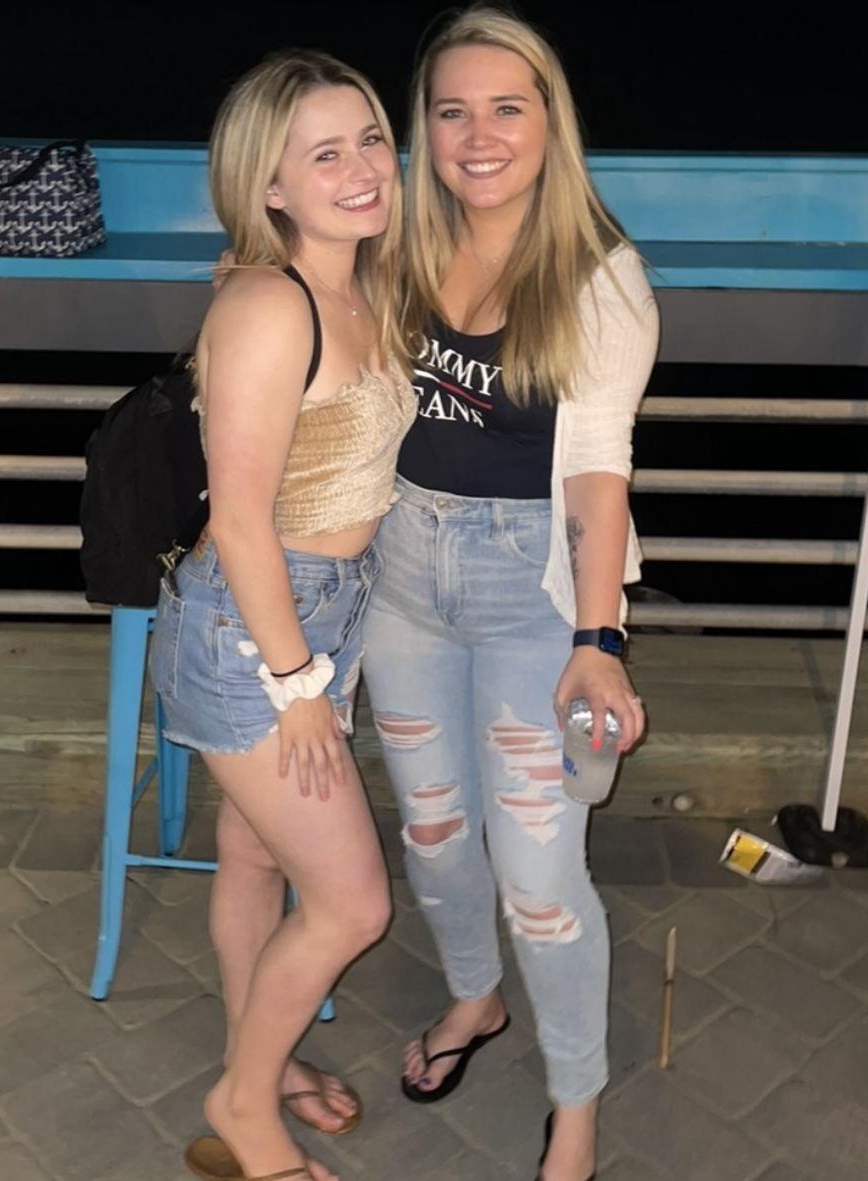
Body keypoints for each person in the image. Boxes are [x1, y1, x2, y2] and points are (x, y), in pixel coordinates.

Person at [360, 9, 659, 1181]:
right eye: (452, 112)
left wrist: (598, 635)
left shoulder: (599, 275)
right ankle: (476, 997)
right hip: (401, 571)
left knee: (540, 880)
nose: (478, 136)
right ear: (423, 129)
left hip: (530, 582)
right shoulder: (395, 240)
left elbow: (598, 468)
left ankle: (575, 1098)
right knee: (434, 836)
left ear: (550, 124)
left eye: (506, 109)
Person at [149, 50, 414, 1181]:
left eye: (371, 140)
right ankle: (245, 1105)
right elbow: (243, 519)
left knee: (257, 852)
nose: (362, 169)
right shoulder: (271, 304)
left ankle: (262, 1054)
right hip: (256, 631)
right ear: (269, 184)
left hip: (319, 613)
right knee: (352, 905)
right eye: (324, 154)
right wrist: (299, 686)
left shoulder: (359, 280)